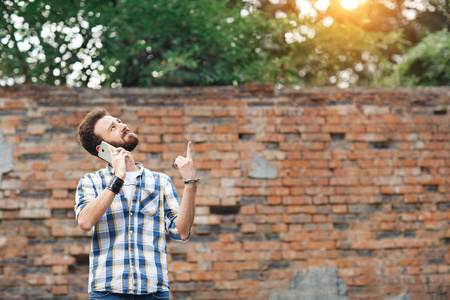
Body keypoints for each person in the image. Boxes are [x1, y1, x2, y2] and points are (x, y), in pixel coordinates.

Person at [75, 108, 197, 300]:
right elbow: (85, 222)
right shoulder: (91, 182)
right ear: (102, 148)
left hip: (153, 292)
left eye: (119, 121)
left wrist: (190, 183)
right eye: (113, 127)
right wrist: (119, 177)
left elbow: (181, 232)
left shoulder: (161, 181)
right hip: (107, 292)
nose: (123, 126)